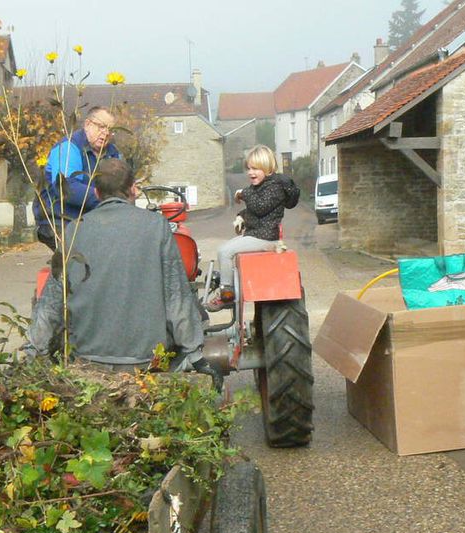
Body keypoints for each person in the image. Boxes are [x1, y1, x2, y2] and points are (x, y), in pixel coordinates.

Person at [25, 158, 217, 382]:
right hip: (147, 361)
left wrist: (33, 354)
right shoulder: (157, 227)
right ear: (133, 189)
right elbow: (177, 298)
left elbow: (51, 301)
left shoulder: (73, 231)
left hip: (88, 361)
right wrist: (196, 357)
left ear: (96, 193)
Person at [205, 145, 299, 311]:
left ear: (267, 168)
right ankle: (230, 283)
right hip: (256, 234)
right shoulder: (263, 187)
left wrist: (243, 193)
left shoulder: (274, 187)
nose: (250, 172)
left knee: (224, 251)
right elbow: (255, 212)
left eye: (255, 168)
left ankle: (226, 293)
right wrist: (242, 216)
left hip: (265, 238)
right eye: (248, 168)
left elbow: (260, 208)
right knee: (226, 248)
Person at [32, 106, 122, 250]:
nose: (105, 133)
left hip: (93, 220)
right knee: (85, 260)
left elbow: (122, 184)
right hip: (60, 220)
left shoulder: (113, 153)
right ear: (87, 124)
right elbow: (66, 189)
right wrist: (107, 199)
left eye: (110, 129)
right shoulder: (68, 148)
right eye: (101, 127)